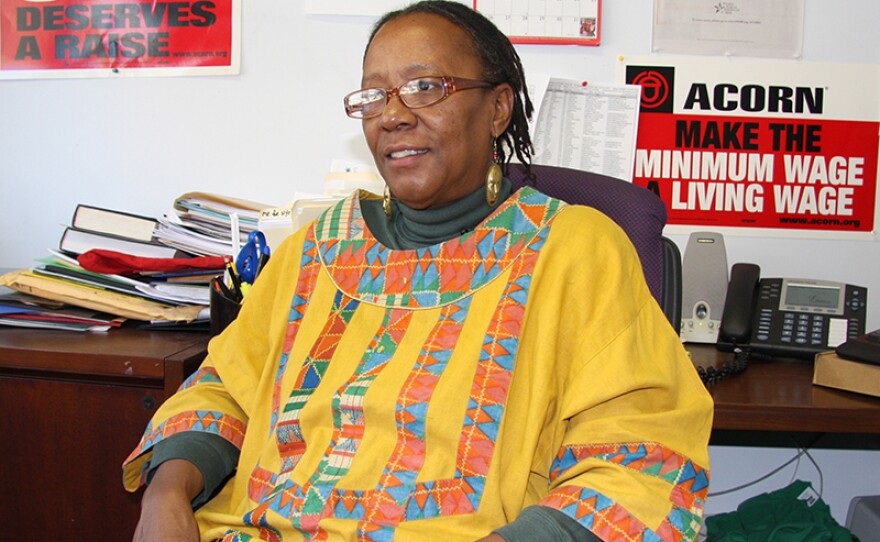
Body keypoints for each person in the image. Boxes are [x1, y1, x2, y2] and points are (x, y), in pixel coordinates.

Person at [123, 2, 713, 541]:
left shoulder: (576, 250)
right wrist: (167, 493)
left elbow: (640, 455)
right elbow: (227, 385)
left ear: (498, 108)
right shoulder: (315, 250)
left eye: (425, 87)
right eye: (373, 97)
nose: (393, 116)